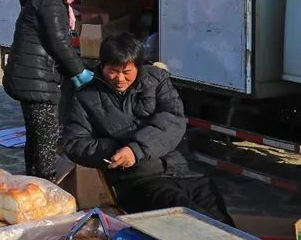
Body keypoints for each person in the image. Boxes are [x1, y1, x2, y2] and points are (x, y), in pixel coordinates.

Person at [62, 33, 234, 225]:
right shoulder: (85, 97)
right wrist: (116, 151)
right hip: (139, 180)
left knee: (221, 219)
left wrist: (135, 149)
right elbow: (74, 144)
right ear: (102, 66)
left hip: (184, 169)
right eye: (113, 71)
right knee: (189, 218)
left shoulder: (157, 80)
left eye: (126, 72)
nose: (120, 78)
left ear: (138, 66)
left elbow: (173, 120)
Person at [3, 0, 94, 181]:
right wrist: (79, 72)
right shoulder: (51, 1)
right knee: (46, 137)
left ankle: (31, 182)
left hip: (30, 76)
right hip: (37, 79)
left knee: (36, 136)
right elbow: (59, 42)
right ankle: (46, 188)